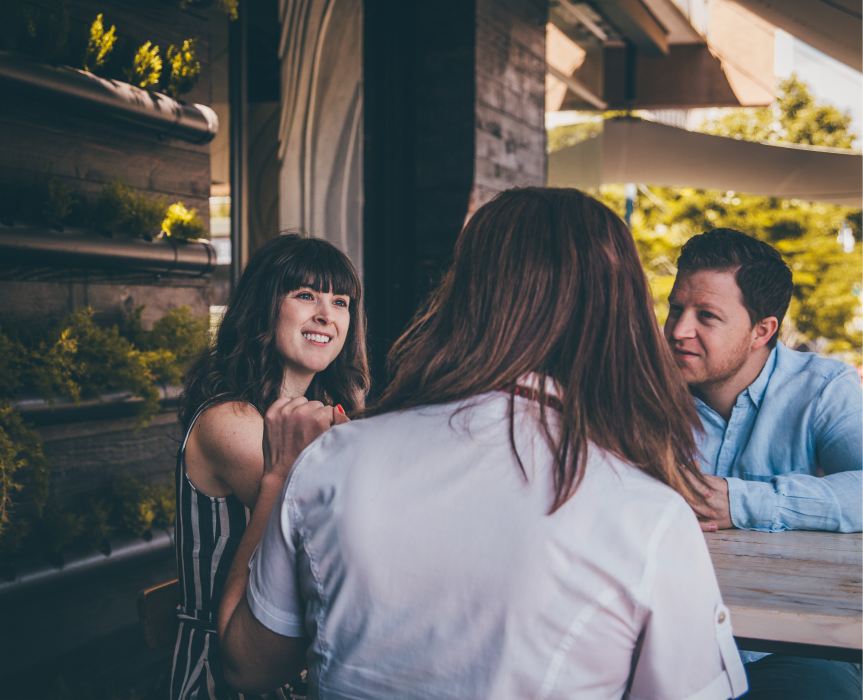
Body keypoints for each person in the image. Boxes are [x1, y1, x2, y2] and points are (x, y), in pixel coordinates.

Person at [218, 187, 748, 699]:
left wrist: (282, 475)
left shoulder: (332, 459)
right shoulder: (649, 516)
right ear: (618, 314)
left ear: (461, 295)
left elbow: (247, 665)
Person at [663, 228, 862, 699]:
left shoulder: (822, 387)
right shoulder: (642, 387)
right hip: (672, 635)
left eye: (706, 316)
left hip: (795, 647)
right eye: (675, 308)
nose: (678, 330)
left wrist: (741, 502)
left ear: (762, 331)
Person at [169, 233, 369, 700]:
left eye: (340, 302)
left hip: (294, 663)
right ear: (263, 307)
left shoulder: (319, 410)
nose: (327, 314)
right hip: (225, 671)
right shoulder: (230, 420)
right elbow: (334, 523)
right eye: (306, 295)